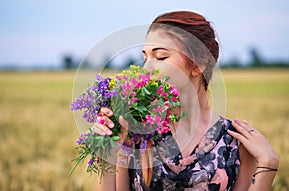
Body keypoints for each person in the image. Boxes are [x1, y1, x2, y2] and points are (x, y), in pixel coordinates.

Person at [92, 11, 279, 191]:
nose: (146, 67)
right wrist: (107, 153)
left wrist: (268, 166)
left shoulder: (235, 142)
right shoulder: (135, 129)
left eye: (161, 57)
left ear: (199, 64)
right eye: (145, 57)